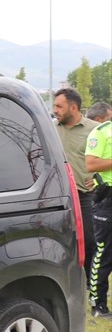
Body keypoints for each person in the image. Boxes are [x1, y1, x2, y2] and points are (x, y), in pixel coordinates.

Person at [53, 88, 98, 280]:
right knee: (62, 239)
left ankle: (89, 280)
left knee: (89, 239)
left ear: (73, 107)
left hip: (85, 195)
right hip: (58, 195)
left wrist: (99, 178)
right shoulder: (51, 129)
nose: (55, 110)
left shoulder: (95, 130)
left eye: (59, 106)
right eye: (54, 106)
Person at [85, 116, 112, 319]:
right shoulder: (102, 132)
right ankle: (98, 304)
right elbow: (91, 164)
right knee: (104, 252)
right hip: (107, 198)